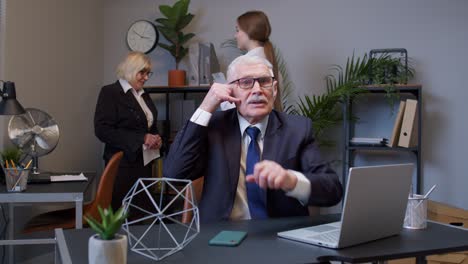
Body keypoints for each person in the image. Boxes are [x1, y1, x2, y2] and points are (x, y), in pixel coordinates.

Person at [163, 55, 342, 223]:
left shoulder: (297, 129)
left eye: (264, 81)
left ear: (274, 89)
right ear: (230, 90)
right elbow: (174, 173)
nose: (257, 90)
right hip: (220, 235)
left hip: (278, 235)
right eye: (246, 83)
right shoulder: (214, 127)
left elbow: (332, 190)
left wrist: (291, 180)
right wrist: (206, 106)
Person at [94, 51, 162, 211]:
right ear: (131, 70)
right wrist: (142, 138)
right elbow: (102, 130)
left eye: (148, 73)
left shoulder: (144, 95)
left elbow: (149, 126)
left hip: (144, 162)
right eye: (142, 73)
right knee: (122, 214)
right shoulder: (110, 92)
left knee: (142, 214)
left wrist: (157, 138)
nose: (146, 77)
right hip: (121, 165)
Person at [222, 10, 283, 111]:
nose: (235, 35)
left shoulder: (239, 65)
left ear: (249, 31)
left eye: (237, 30)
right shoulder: (274, 67)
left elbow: (230, 106)